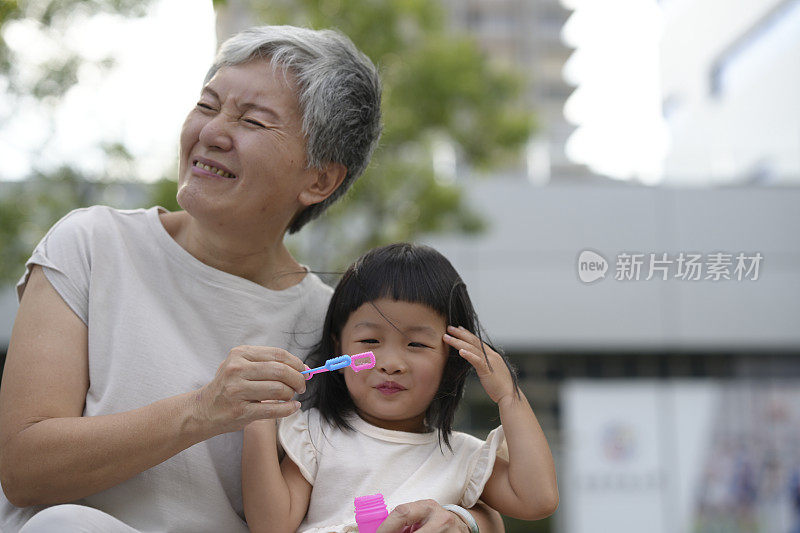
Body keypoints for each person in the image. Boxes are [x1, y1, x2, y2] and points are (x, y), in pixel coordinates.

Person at [0, 25, 504, 533]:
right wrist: (203, 410)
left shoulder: (339, 328)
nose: (213, 132)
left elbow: (408, 460)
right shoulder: (91, 245)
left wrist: (467, 520)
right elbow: (22, 468)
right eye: (207, 105)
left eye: (252, 121)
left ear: (319, 179)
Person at [241, 243, 559, 533]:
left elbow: (538, 499)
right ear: (338, 347)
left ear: (450, 359)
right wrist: (258, 419)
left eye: (417, 343)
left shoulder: (462, 457)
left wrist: (508, 395)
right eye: (370, 341)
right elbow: (271, 527)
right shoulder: (315, 435)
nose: (391, 363)